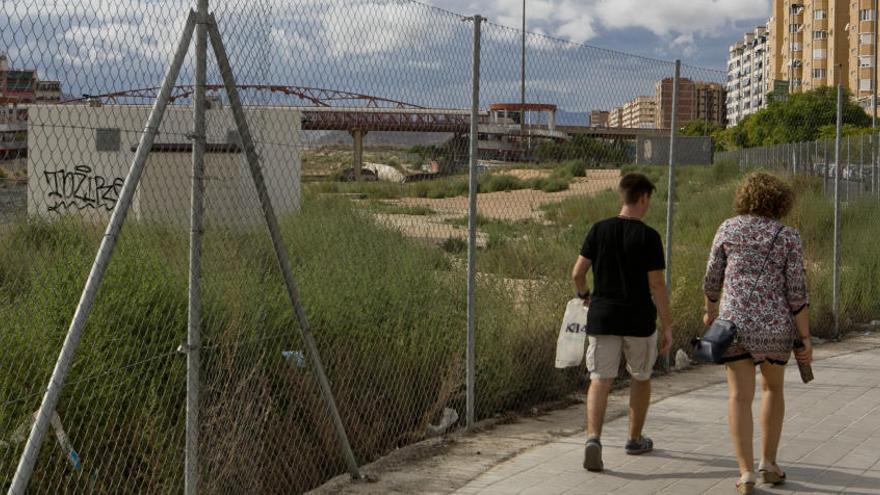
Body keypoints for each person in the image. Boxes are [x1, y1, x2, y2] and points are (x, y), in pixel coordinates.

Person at [702, 172, 812, 495]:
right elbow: (796, 293)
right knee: (772, 390)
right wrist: (804, 337)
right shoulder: (788, 236)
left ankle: (745, 472)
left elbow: (711, 280)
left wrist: (710, 313)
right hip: (775, 329)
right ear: (780, 202)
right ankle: (769, 463)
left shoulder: (727, 228)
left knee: (739, 396)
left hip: (734, 326)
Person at [570, 172, 673, 472]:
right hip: (639, 319)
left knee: (600, 380)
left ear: (622, 196)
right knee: (640, 377)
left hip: (603, 316)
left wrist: (585, 295)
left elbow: (577, 272)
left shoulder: (599, 230)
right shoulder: (649, 237)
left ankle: (593, 439)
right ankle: (634, 438)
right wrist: (667, 324)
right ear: (643, 197)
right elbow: (657, 285)